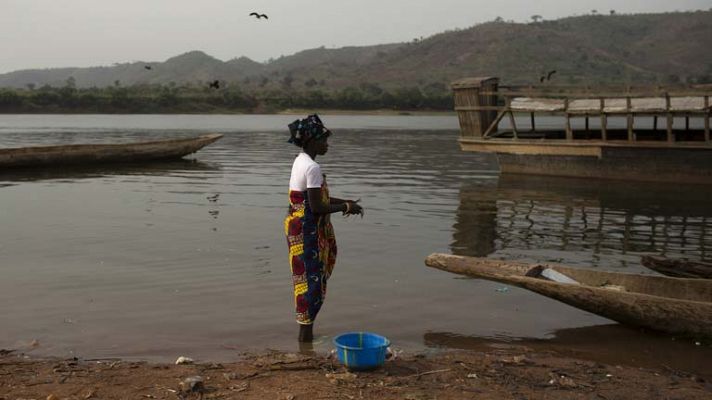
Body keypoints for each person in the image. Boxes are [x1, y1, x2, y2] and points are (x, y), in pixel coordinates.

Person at [284, 114, 364, 342]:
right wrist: (345, 207)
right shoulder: (313, 167)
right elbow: (317, 206)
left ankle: (305, 338)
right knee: (312, 283)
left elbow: (310, 198)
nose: (326, 145)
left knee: (304, 279)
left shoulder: (299, 161)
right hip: (308, 229)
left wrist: (345, 201)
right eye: (323, 140)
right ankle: (305, 339)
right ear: (311, 141)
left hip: (296, 226)